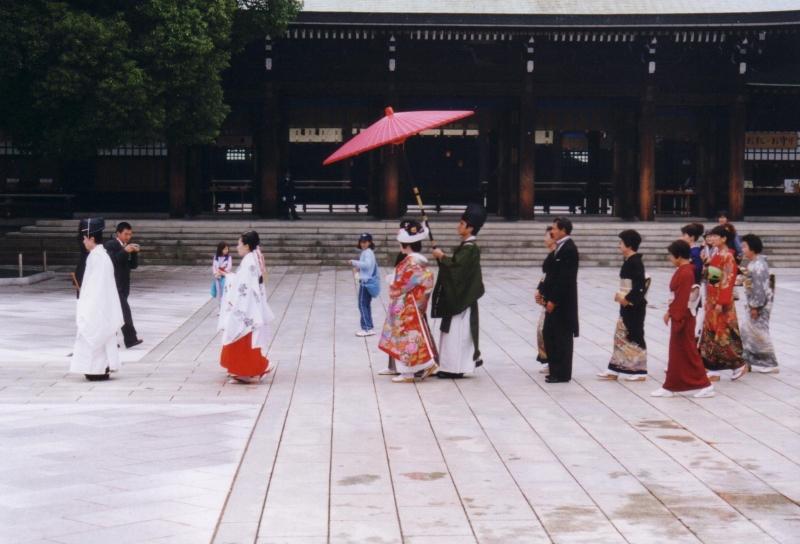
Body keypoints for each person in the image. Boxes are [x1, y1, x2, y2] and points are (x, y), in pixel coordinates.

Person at [651, 240, 714, 398]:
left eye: (671, 255)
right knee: (678, 352)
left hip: (684, 317)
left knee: (688, 351)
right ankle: (672, 384)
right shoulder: (684, 270)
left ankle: (704, 384)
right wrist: (670, 312)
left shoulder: (686, 272)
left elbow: (683, 298)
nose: (670, 258)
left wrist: (675, 315)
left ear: (678, 256)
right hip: (680, 314)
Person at [431, 204, 487, 379]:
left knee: (458, 334)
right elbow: (454, 268)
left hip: (462, 300)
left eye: (462, 223)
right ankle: (448, 366)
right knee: (452, 334)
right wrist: (442, 258)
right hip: (458, 298)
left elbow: (457, 269)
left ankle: (455, 368)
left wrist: (442, 256)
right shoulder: (466, 247)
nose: (458, 226)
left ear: (470, 228)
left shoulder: (470, 249)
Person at [378, 220, 438, 383]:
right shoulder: (417, 262)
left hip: (405, 305)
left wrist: (392, 281)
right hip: (411, 303)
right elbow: (422, 279)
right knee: (409, 337)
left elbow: (401, 283)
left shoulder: (410, 263)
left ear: (405, 245)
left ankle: (409, 372)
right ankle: (423, 364)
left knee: (404, 337)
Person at [70, 218, 124, 381]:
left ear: (91, 238)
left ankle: (98, 368)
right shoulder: (98, 255)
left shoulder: (98, 257)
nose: (83, 242)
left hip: (97, 304)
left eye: (84, 238)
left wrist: (88, 306)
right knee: (97, 337)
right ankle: (96, 368)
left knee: (96, 335)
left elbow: (97, 287)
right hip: (99, 303)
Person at [218, 231, 275, 383]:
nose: (237, 247)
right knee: (242, 337)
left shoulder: (249, 261)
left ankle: (253, 369)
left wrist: (229, 278)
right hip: (249, 304)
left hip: (246, 306)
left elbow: (244, 286)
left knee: (241, 335)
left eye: (239, 244)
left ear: (247, 246)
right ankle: (242, 370)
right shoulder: (253, 258)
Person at [598, 229, 648, 381]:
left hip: (634, 305)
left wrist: (627, 299)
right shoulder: (628, 260)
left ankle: (640, 371)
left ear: (629, 245)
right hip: (626, 303)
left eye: (621, 242)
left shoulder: (636, 262)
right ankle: (614, 369)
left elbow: (640, 286)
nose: (619, 245)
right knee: (621, 335)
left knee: (635, 335)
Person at [699, 225, 746, 381]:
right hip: (713, 300)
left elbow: (727, 281)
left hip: (721, 302)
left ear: (724, 239)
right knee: (711, 334)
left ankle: (738, 364)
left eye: (716, 236)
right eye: (711, 236)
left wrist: (720, 302)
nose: (712, 239)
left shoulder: (727, 256)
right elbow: (713, 280)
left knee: (723, 334)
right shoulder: (717, 255)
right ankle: (712, 368)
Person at [541, 216, 579, 383]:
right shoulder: (559, 247)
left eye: (555, 229)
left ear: (563, 230)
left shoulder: (569, 249)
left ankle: (562, 373)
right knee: (550, 334)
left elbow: (565, 278)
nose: (552, 232)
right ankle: (554, 369)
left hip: (562, 302)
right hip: (553, 299)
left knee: (561, 336)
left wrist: (553, 300)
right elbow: (548, 270)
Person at [740, 234, 779, 373]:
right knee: (748, 330)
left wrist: (755, 306)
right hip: (753, 302)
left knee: (760, 332)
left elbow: (759, 288)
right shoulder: (753, 263)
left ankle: (770, 363)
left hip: (759, 304)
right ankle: (749, 360)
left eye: (744, 246)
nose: (742, 249)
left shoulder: (759, 265)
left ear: (753, 248)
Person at [103, 221, 142, 348]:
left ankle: (110, 342)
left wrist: (134, 253)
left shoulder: (127, 245)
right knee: (125, 312)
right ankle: (130, 339)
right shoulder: (110, 244)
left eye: (130, 234)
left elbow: (133, 266)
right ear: (118, 233)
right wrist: (125, 251)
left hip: (124, 285)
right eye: (126, 234)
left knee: (114, 314)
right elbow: (112, 262)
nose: (128, 237)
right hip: (114, 285)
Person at [534, 226, 556, 374]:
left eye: (547, 236)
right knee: (542, 330)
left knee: (546, 329)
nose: (544, 239)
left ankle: (551, 360)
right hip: (546, 297)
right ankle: (548, 359)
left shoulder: (557, 256)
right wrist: (539, 289)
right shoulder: (551, 255)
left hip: (553, 300)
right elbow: (545, 276)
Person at [349, 232, 379, 337]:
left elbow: (367, 265)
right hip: (367, 281)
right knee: (365, 304)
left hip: (366, 282)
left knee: (362, 304)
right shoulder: (367, 252)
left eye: (365, 242)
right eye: (361, 242)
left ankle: (366, 328)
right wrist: (358, 268)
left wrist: (354, 262)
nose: (363, 244)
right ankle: (369, 327)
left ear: (370, 242)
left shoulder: (368, 253)